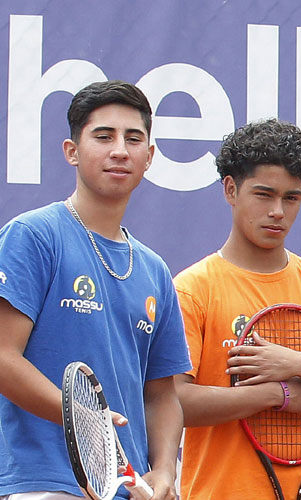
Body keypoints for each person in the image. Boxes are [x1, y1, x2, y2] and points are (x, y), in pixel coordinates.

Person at [0, 81, 191, 499]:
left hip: (128, 489)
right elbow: (2, 357)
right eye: (104, 136)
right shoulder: (32, 236)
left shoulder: (155, 270)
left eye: (133, 139)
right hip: (45, 484)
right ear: (72, 151)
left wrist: (164, 470)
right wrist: (84, 422)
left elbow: (162, 395)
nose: (120, 150)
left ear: (149, 157)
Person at [173, 118, 301, 500]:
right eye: (264, 195)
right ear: (231, 189)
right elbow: (174, 403)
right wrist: (277, 394)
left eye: (291, 198)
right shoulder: (192, 289)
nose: (278, 212)